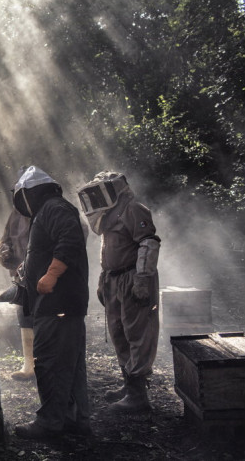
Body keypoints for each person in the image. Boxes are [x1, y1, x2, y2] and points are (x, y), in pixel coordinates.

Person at [12, 166, 90, 440]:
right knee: (69, 363)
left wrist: (50, 274)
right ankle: (76, 419)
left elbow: (70, 240)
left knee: (49, 362)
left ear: (32, 193)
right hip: (61, 303)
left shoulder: (54, 208)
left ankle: (51, 422)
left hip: (58, 302)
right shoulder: (49, 210)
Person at [78, 171, 161, 413]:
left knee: (137, 332)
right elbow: (109, 250)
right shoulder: (109, 215)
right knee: (119, 332)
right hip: (114, 279)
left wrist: (143, 279)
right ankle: (130, 385)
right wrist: (103, 281)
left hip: (133, 278)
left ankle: (138, 396)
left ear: (114, 188)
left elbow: (148, 242)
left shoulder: (134, 209)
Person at [0, 207, 34, 381]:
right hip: (22, 278)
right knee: (25, 319)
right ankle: (30, 366)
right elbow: (5, 240)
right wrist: (5, 251)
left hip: (46, 276)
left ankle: (51, 366)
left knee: (47, 321)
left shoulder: (50, 210)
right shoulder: (16, 214)